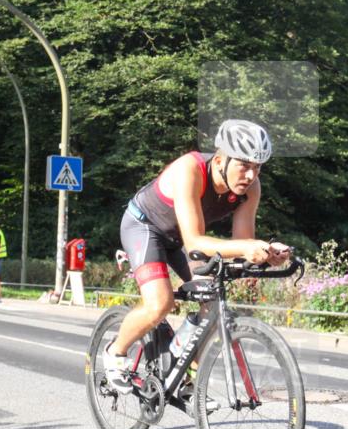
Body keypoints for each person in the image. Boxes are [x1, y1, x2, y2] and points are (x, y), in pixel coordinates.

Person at [104, 119, 290, 402]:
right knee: (160, 303)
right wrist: (248, 247)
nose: (251, 175)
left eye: (258, 167)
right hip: (144, 227)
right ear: (219, 160)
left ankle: (184, 372)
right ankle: (115, 353)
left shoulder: (251, 189)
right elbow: (195, 241)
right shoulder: (189, 170)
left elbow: (242, 243)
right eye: (244, 165)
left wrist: (267, 254)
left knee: (213, 302)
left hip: (180, 238)